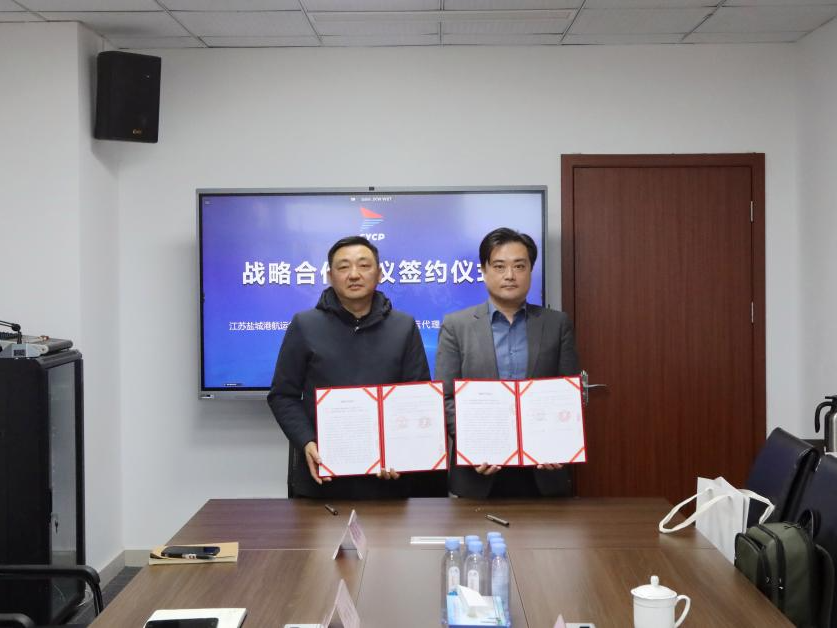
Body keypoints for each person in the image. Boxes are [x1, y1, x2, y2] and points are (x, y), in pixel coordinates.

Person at [267, 236, 431, 499]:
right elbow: (282, 395)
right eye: (343, 267)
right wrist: (306, 441)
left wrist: (402, 452)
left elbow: (417, 395)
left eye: (364, 265)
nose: (354, 274)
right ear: (330, 276)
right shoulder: (305, 325)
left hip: (387, 480)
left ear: (379, 274)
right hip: (323, 478)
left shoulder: (403, 326)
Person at [435, 227, 580, 498]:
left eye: (519, 266)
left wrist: (558, 442)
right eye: (499, 266)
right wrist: (473, 444)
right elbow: (445, 398)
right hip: (479, 472)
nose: (510, 275)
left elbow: (570, 394)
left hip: (543, 470)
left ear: (531, 270)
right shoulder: (457, 325)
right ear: (483, 270)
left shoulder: (557, 324)